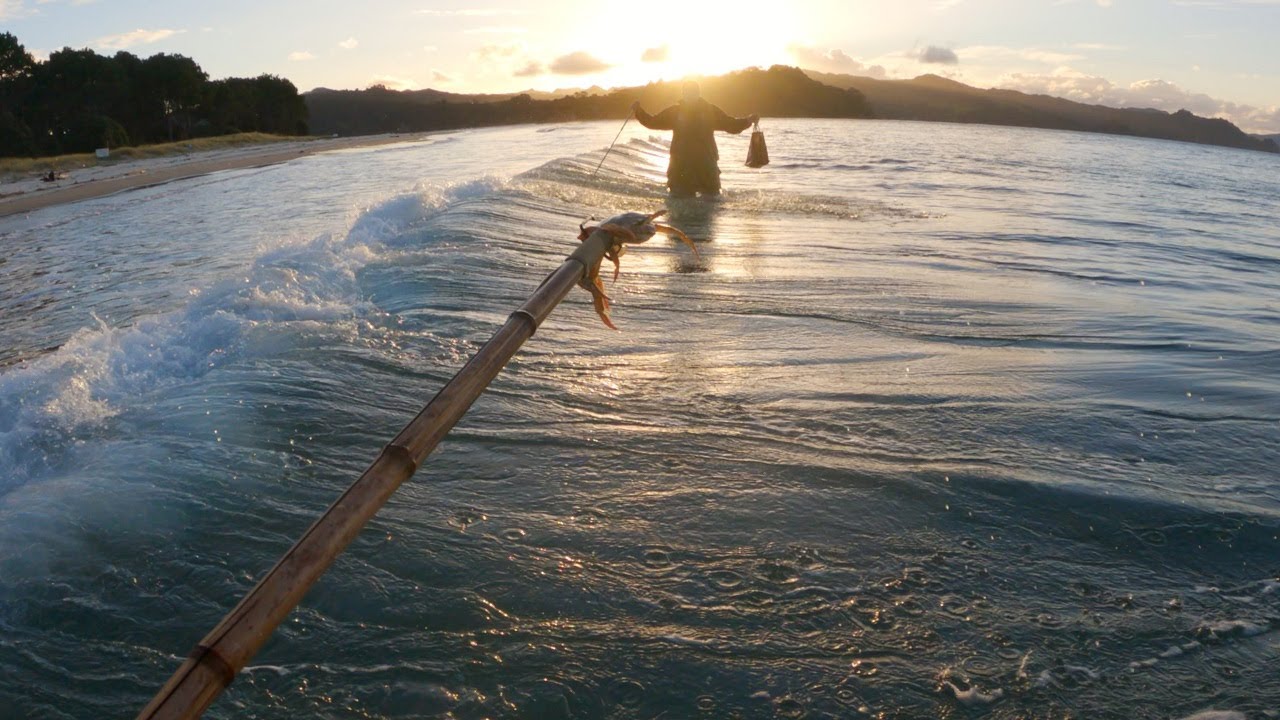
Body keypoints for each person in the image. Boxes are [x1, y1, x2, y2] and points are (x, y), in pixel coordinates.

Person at [632, 81, 758, 197]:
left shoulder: (710, 110)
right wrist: (638, 111)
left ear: (698, 93)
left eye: (693, 91)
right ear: (683, 93)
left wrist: (747, 120)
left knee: (711, 200)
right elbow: (653, 122)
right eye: (687, 91)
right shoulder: (675, 111)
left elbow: (731, 125)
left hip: (706, 163)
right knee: (680, 198)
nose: (690, 94)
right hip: (680, 165)